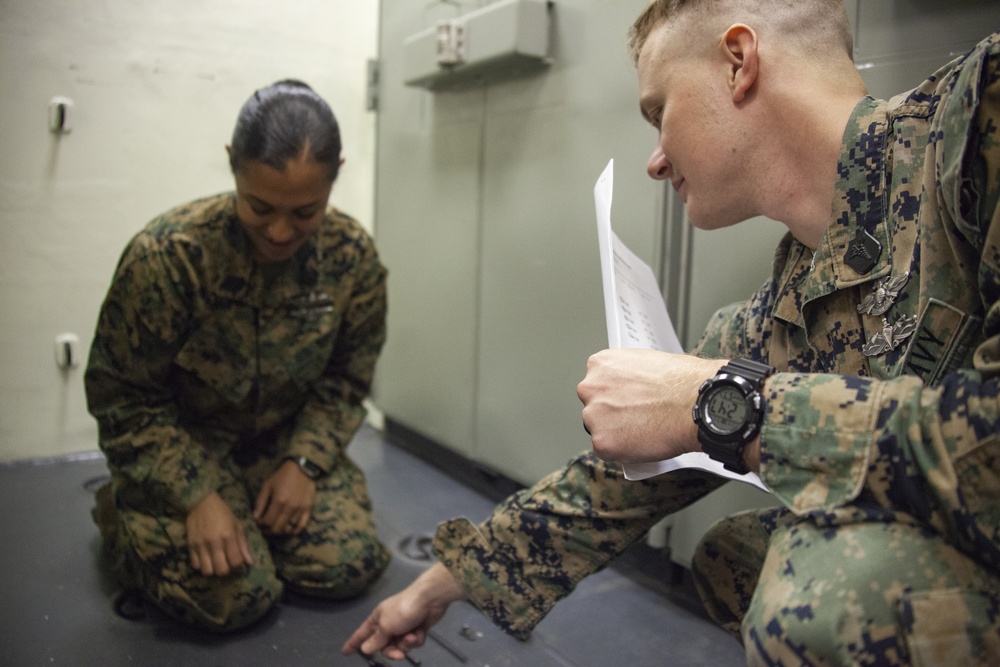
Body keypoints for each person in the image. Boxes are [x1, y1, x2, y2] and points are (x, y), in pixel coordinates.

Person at [343, 0, 1000, 664]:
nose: (655, 162)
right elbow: (617, 485)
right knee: (736, 556)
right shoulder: (791, 300)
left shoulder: (979, 123)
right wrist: (439, 585)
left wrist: (739, 407)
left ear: (739, 62)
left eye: (660, 113)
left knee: (830, 597)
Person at [86, 79, 391, 632]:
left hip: (279, 445)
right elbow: (124, 400)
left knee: (347, 568)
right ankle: (122, 513)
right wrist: (195, 494)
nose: (279, 231)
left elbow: (346, 379)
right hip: (187, 448)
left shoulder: (351, 256)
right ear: (233, 165)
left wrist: (304, 462)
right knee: (232, 600)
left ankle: (251, 511)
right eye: (260, 206)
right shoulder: (169, 258)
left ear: (335, 176)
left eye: (305, 212)